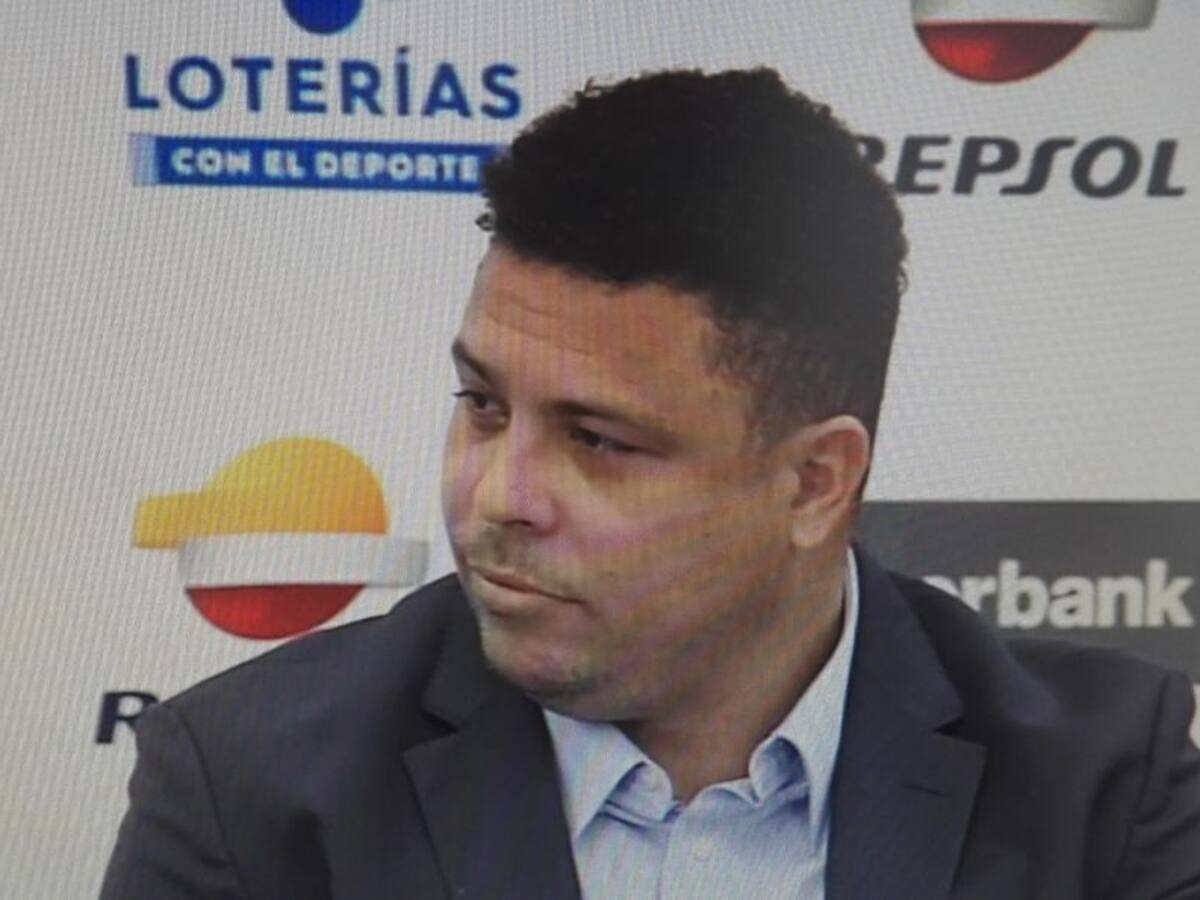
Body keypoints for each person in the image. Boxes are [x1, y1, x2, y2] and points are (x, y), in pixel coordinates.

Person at [101, 68, 1200, 900]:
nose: (499, 495)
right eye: (483, 404)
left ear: (814, 481)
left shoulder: (1102, 785)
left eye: (598, 441)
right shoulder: (248, 789)